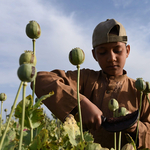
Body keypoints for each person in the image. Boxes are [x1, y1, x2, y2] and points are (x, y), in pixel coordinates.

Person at [32, 19, 150, 149]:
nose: (111, 58)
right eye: (103, 52)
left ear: (127, 51)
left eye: (117, 50)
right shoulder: (84, 79)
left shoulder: (140, 91)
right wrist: (80, 103)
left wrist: (135, 127)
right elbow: (39, 79)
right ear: (94, 55)